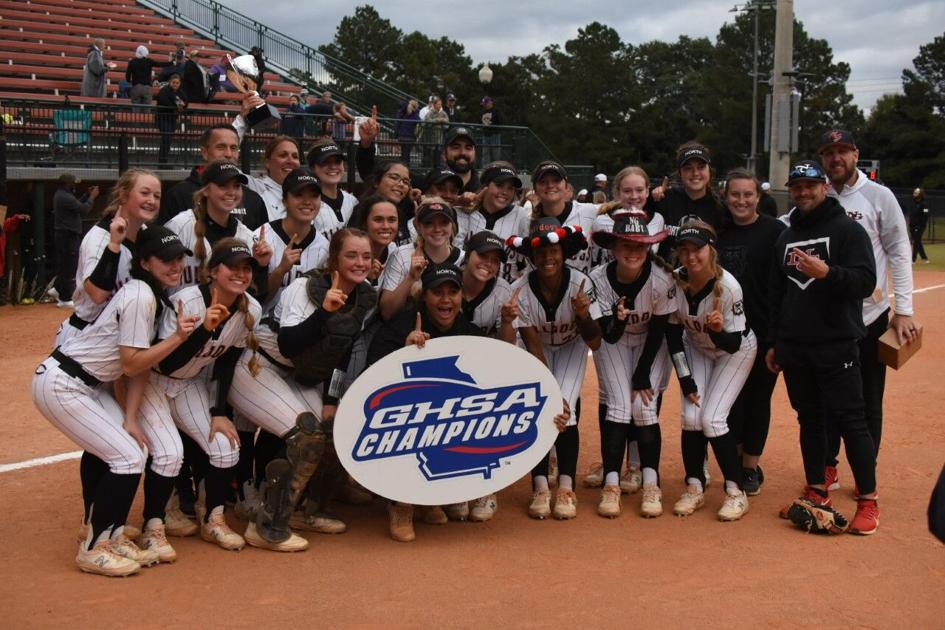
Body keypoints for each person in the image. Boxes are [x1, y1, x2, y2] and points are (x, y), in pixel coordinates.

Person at [31, 225, 198, 576]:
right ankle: (93, 549)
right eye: (166, 259)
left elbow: (138, 370)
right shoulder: (141, 296)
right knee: (125, 458)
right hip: (64, 383)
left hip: (87, 383)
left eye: (179, 258)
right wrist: (179, 339)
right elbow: (131, 361)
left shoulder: (152, 294)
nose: (175, 266)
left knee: (132, 450)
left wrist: (132, 418)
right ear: (145, 262)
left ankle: (113, 533)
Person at [229, 229, 376, 538]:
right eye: (351, 255)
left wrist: (331, 402)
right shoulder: (305, 285)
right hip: (260, 367)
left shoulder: (364, 294)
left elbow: (343, 350)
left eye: (366, 256)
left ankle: (307, 510)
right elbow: (289, 344)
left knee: (335, 432)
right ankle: (270, 522)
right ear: (335, 258)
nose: (360, 262)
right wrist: (324, 312)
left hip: (299, 375)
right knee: (306, 435)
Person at [767, 159, 880, 535]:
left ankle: (868, 499)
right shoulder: (785, 236)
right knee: (810, 420)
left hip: (837, 344)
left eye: (810, 186)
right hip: (797, 347)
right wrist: (777, 343)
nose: (803, 192)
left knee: (851, 421)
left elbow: (865, 282)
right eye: (797, 186)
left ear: (824, 187)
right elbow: (779, 295)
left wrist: (827, 273)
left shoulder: (848, 230)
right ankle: (817, 490)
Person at [817, 130, 918, 492]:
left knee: (867, 399)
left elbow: (899, 250)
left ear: (856, 154)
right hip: (826, 319)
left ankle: (865, 471)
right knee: (826, 397)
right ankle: (827, 465)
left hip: (869, 316)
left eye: (843, 150)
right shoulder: (816, 195)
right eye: (829, 152)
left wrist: (904, 310)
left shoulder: (879, 196)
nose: (836, 158)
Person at [366, 263, 484, 541]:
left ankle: (430, 496)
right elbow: (370, 383)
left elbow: (494, 380)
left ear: (461, 298)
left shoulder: (469, 332)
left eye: (452, 293)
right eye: (437, 293)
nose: (445, 300)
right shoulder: (400, 327)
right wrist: (404, 356)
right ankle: (401, 504)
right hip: (396, 421)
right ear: (424, 297)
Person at [509, 218, 601, 519]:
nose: (548, 257)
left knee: (567, 413)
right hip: (539, 350)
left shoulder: (583, 283)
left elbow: (596, 342)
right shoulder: (520, 288)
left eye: (554, 251)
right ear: (531, 256)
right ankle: (538, 485)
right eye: (541, 252)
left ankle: (566, 485)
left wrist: (583, 315)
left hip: (572, 346)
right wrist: (549, 391)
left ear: (564, 252)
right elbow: (533, 345)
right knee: (540, 407)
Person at [664, 220, 756, 521]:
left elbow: (732, 343)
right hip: (697, 350)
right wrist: (685, 378)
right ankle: (694, 485)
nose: (691, 257)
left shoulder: (727, 287)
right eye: (684, 250)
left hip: (734, 351)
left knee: (713, 419)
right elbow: (673, 336)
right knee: (691, 418)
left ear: (710, 250)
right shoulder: (675, 282)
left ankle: (735, 490)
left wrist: (716, 331)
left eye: (697, 249)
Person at [585, 166, 668, 493]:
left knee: (644, 399)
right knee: (613, 399)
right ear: (618, 192)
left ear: (648, 191)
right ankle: (612, 469)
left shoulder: (657, 220)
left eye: (640, 190)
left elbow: (647, 253)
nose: (634, 196)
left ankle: (637, 468)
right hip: (614, 306)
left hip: (648, 316)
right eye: (628, 190)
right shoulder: (605, 222)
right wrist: (614, 317)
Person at [716, 169, 786, 495]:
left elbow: (785, 287)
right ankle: (736, 455)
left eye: (748, 194)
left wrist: (777, 337)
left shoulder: (775, 231)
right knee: (731, 401)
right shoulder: (718, 230)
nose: (741, 200)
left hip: (764, 330)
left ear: (758, 196)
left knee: (758, 400)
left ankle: (749, 467)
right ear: (726, 197)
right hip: (727, 333)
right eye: (735, 194)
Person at [55, 169, 160, 346]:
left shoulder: (147, 235)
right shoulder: (99, 238)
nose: (152, 201)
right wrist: (114, 247)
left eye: (157, 196)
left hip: (120, 335)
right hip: (86, 338)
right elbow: (96, 294)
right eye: (144, 193)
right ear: (123, 195)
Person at [164, 161, 272, 294]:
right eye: (223, 186)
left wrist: (261, 266)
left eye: (236, 186)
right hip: (183, 312)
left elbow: (257, 297)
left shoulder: (247, 236)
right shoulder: (180, 225)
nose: (231, 192)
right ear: (206, 190)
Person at [159, 120, 268, 229]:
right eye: (221, 147)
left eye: (234, 148)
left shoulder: (254, 200)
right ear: (204, 152)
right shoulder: (179, 194)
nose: (228, 154)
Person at [254, 168, 329, 313]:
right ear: (284, 200)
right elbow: (256, 301)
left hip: (304, 328)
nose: (307, 202)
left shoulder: (325, 247)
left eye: (314, 196)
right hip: (263, 329)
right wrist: (281, 270)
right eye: (299, 195)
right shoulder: (260, 237)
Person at [378, 199, 464, 320]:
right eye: (429, 223)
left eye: (444, 222)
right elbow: (386, 312)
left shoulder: (463, 259)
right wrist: (411, 278)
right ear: (418, 227)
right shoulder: (402, 254)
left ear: (452, 225)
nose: (437, 229)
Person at [456, 162, 529, 283]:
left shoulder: (521, 216)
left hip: (507, 292)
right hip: (467, 287)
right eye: (499, 185)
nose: (505, 192)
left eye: (510, 188)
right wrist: (456, 201)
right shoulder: (465, 212)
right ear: (485, 186)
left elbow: (529, 259)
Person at [650, 142, 724, 257]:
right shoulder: (665, 199)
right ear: (680, 173)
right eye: (688, 168)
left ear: (709, 170)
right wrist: (653, 194)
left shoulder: (719, 207)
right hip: (665, 271)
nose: (695, 173)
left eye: (701, 167)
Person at [529, 161, 598, 274]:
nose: (550, 185)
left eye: (556, 180)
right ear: (535, 190)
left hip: (583, 288)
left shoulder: (590, 211)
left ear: (566, 186)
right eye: (543, 181)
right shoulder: (527, 222)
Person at [52, 173, 99, 309]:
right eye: (73, 183)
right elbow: (84, 209)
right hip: (68, 235)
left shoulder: (62, 194)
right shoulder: (65, 196)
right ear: (68, 184)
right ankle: (65, 298)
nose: (75, 185)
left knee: (64, 264)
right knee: (70, 265)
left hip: (63, 234)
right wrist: (92, 197)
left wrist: (86, 195)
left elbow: (76, 205)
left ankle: (57, 289)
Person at [306, 139, 359, 240]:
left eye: (337, 161)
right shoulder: (306, 205)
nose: (333, 166)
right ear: (313, 168)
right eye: (325, 162)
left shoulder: (353, 201)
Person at [245, 135, 301, 223]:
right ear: (267, 162)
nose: (290, 160)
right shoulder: (256, 187)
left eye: (295, 156)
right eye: (283, 155)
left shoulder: (307, 192)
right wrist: (242, 122)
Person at [359, 159, 415, 246]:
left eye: (406, 182)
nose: (401, 184)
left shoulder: (403, 214)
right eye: (394, 178)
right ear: (377, 182)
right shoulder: (361, 211)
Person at [349, 194, 399, 286]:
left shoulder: (394, 251)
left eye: (392, 220)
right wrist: (366, 279)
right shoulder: (349, 253)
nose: (386, 226)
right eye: (378, 220)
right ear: (364, 223)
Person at [155, 74, 187, 165]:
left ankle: (164, 160)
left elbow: (186, 101)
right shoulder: (164, 91)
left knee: (168, 139)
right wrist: (177, 107)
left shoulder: (180, 92)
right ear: (170, 82)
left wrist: (182, 106)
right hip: (163, 118)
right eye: (173, 82)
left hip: (172, 119)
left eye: (177, 83)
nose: (175, 84)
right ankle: (162, 161)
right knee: (166, 138)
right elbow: (165, 102)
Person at [421, 97, 450, 167]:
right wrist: (438, 120)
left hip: (439, 139)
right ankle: (426, 169)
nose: (440, 106)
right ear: (434, 104)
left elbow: (447, 124)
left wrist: (443, 123)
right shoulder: (430, 112)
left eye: (441, 104)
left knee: (437, 157)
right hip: (430, 139)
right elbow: (426, 122)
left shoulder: (443, 113)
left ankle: (436, 169)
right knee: (428, 156)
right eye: (438, 104)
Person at [395, 99, 421, 165]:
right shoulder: (415, 115)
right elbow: (420, 122)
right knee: (407, 155)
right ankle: (406, 168)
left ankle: (401, 166)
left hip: (401, 136)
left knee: (403, 153)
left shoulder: (403, 113)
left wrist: (396, 135)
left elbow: (398, 123)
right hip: (409, 137)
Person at [480, 97, 503, 164]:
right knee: (485, 154)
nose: (485, 105)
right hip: (485, 135)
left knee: (496, 153)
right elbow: (479, 122)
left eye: (486, 103)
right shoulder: (482, 112)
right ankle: (485, 169)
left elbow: (501, 121)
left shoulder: (496, 111)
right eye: (484, 104)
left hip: (494, 134)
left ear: (491, 102)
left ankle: (497, 167)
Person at [910, 188, 930, 263]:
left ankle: (913, 260)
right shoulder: (913, 203)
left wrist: (919, 225)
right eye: (914, 192)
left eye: (916, 193)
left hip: (920, 226)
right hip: (912, 226)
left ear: (920, 195)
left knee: (916, 242)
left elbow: (925, 216)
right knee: (918, 241)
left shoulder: (924, 205)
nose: (914, 194)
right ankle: (924, 258)